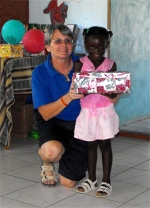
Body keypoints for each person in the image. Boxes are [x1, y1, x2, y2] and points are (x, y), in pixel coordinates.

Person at [31, 24, 87, 188]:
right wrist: (68, 97)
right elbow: (45, 114)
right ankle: (47, 162)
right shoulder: (40, 72)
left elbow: (101, 91)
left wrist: (112, 96)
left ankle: (70, 151)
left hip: (81, 124)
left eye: (68, 41)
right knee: (51, 151)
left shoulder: (84, 66)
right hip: (53, 122)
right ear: (47, 47)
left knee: (68, 183)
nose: (64, 45)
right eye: (57, 41)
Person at [74, 26, 120, 197]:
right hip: (87, 112)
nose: (96, 51)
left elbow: (114, 91)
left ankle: (106, 181)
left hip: (104, 111)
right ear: (85, 45)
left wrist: (104, 89)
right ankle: (91, 178)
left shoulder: (111, 64)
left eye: (101, 47)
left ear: (107, 45)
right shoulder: (80, 63)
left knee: (105, 145)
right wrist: (88, 87)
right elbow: (78, 89)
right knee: (90, 145)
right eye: (92, 47)